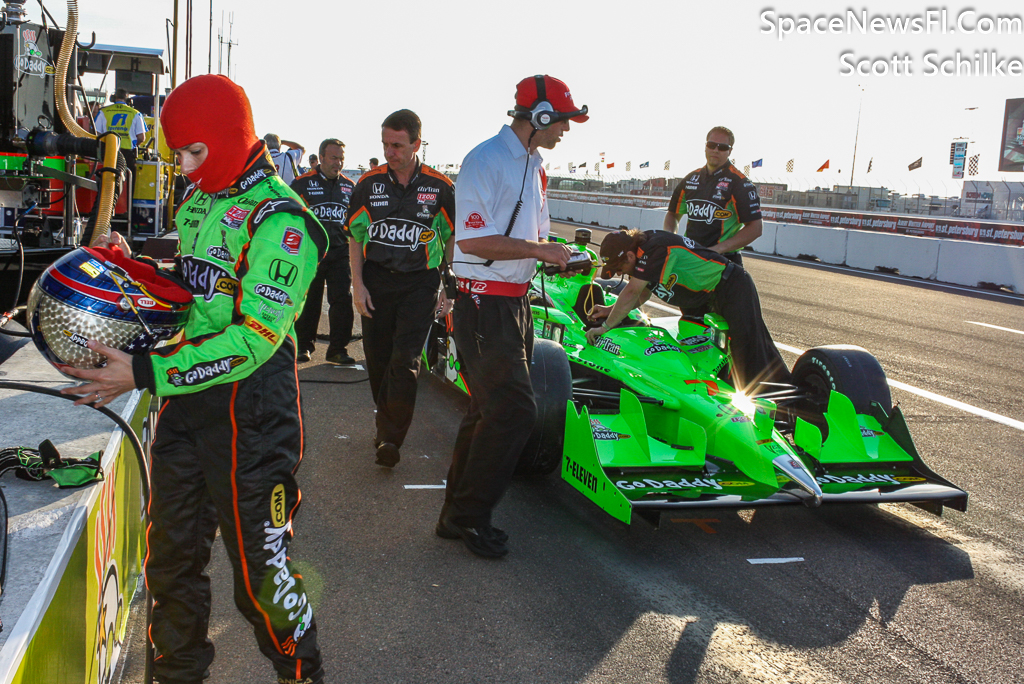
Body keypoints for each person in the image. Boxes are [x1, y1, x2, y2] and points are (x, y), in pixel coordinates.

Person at [62, 74, 328, 684]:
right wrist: (132, 265)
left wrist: (145, 371)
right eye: (176, 153)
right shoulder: (203, 198)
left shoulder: (283, 220)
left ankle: (303, 671)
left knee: (261, 575)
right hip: (187, 401)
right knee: (170, 560)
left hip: (252, 412)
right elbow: (193, 286)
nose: (182, 166)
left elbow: (255, 338)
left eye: (192, 152)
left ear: (230, 137)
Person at [438, 75, 585, 559]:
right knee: (514, 410)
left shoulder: (536, 166)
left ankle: (454, 516)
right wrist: (536, 248)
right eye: (562, 120)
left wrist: (558, 253)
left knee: (486, 410)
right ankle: (471, 518)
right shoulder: (485, 159)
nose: (566, 129)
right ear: (540, 116)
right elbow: (473, 241)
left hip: (516, 303)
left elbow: (536, 234)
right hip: (482, 303)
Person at [347, 109, 455, 468]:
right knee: (378, 361)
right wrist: (357, 285)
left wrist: (448, 285)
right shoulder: (368, 184)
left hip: (419, 284)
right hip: (377, 280)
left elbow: (452, 237)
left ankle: (392, 439)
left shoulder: (440, 187)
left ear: (416, 144)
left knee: (405, 360)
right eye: (385, 145)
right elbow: (354, 238)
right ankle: (385, 420)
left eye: (397, 145)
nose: (390, 152)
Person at [586, 229, 791, 393]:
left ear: (629, 256)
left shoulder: (654, 248)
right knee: (707, 355)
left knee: (748, 351)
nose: (620, 273)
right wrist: (611, 310)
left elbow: (632, 292)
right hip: (705, 297)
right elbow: (642, 295)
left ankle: (784, 401)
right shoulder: (642, 254)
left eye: (619, 268)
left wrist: (605, 327)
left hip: (731, 286)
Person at [292, 139, 357, 364]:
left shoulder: (350, 186)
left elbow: (356, 222)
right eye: (333, 158)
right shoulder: (301, 183)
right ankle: (303, 346)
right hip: (310, 253)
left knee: (342, 300)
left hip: (340, 252)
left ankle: (338, 349)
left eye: (341, 158)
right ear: (320, 158)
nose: (337, 163)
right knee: (309, 301)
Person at [663, 126, 762, 266]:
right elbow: (673, 214)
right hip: (691, 257)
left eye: (722, 147)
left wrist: (716, 250)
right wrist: (671, 238)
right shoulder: (690, 179)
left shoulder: (739, 183)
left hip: (724, 260)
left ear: (730, 151)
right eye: (711, 145)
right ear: (705, 147)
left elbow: (755, 228)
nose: (715, 150)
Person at [94, 88, 147, 206]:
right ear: (127, 100)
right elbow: (141, 137)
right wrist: (132, 144)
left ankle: (106, 210)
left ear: (113, 98)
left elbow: (96, 134)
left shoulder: (104, 112)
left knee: (107, 182)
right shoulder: (135, 113)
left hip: (107, 154)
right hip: (127, 154)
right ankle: (125, 210)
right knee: (127, 185)